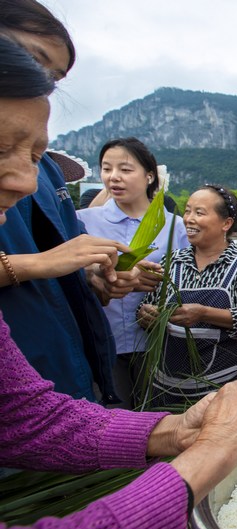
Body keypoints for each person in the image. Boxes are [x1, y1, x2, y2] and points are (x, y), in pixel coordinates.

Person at [0, 35, 237, 529]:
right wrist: (211, 451)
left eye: (36, 158)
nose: (25, 182)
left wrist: (175, 431)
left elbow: (26, 417)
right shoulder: (153, 249)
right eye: (4, 149)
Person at [0, 0, 139, 403]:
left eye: (54, 78)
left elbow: (67, 256)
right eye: (33, 59)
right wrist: (39, 264)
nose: (24, 181)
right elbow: (53, 259)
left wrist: (94, 278)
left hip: (68, 370)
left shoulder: (47, 170)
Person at [78, 138, 189, 407]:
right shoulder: (83, 221)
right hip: (102, 343)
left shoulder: (175, 227)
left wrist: (163, 302)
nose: (114, 177)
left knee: (160, 414)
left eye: (125, 169)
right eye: (106, 169)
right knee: (113, 418)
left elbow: (187, 280)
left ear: (149, 176)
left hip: (158, 345)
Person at [138, 184, 237, 407]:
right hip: (167, 387)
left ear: (226, 223)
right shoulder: (172, 262)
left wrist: (204, 314)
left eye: (199, 213)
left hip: (224, 384)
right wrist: (146, 315)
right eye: (187, 211)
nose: (189, 219)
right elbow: (147, 304)